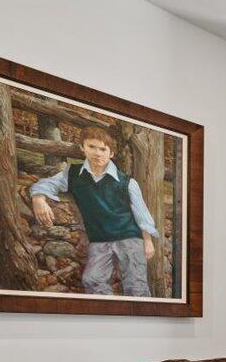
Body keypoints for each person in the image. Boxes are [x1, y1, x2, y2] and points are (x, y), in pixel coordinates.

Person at [28, 126, 157, 296]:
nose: (97, 153)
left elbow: (141, 214)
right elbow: (48, 184)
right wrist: (38, 198)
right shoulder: (73, 174)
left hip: (129, 237)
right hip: (100, 239)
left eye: (103, 149)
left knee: (136, 286)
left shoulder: (127, 182)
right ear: (82, 148)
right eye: (92, 147)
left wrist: (147, 241)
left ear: (111, 153)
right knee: (92, 280)